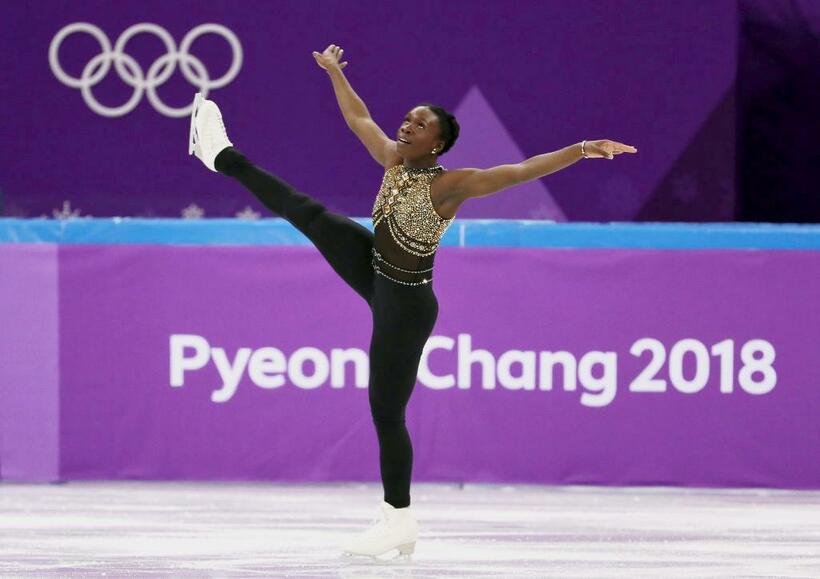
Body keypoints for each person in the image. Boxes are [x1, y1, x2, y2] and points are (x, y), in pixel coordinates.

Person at [189, 44, 637, 559]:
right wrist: (335, 72)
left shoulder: (452, 185)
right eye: (406, 119)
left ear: (438, 143)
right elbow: (358, 117)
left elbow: (520, 170)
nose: (405, 127)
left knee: (385, 411)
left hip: (406, 303)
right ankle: (221, 154)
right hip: (373, 267)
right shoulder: (392, 159)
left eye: (418, 125)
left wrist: (581, 148)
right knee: (305, 211)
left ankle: (397, 518)